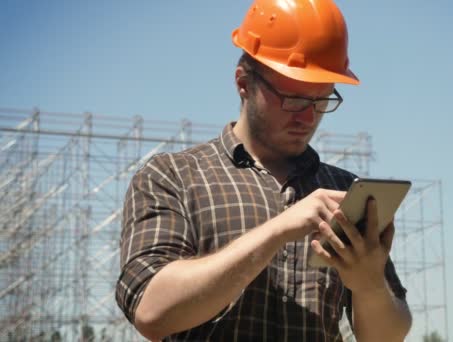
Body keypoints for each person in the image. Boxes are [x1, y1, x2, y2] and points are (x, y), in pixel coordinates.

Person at [115, 0, 412, 340]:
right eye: (294, 99)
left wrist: (369, 285)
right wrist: (278, 231)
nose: (307, 117)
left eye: (321, 101)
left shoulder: (343, 189)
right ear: (244, 82)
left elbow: (387, 337)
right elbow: (151, 312)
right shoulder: (174, 177)